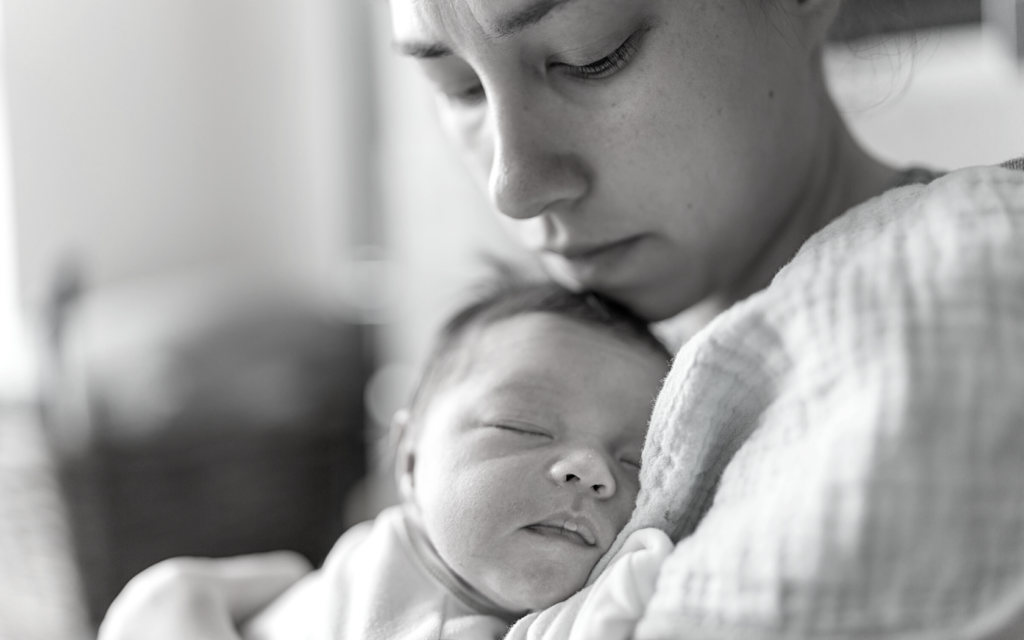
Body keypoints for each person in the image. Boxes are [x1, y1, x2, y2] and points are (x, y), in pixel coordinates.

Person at [99, 0, 1024, 637]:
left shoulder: (954, 283)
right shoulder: (545, 377)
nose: (512, 185)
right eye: (457, 87)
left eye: (592, 54)